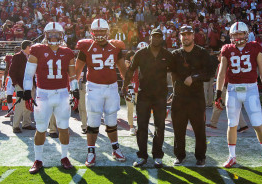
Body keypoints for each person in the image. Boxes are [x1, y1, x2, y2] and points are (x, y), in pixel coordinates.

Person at [215, 22, 262, 170]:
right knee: (232, 124)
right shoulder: (227, 49)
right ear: (231, 36)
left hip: (251, 90)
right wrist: (218, 93)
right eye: (234, 34)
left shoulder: (254, 47)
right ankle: (232, 156)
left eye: (240, 34)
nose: (237, 37)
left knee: (257, 123)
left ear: (246, 34)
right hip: (233, 90)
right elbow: (221, 73)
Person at [24, 22, 79, 174]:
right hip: (43, 94)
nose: (54, 37)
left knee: (64, 128)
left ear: (62, 36)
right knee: (41, 128)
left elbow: (73, 75)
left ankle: (64, 157)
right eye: (51, 34)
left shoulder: (67, 52)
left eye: (57, 34)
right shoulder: (37, 49)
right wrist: (27, 92)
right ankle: (38, 159)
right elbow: (28, 74)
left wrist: (75, 91)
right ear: (46, 35)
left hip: (62, 94)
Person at [75, 18, 127, 167]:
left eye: (101, 31)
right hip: (94, 88)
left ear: (108, 32)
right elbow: (78, 70)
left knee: (111, 120)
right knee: (93, 122)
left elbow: (123, 70)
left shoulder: (116, 47)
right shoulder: (86, 47)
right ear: (91, 32)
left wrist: (128, 85)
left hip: (111, 87)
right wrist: (72, 88)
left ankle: (115, 148)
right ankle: (91, 151)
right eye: (96, 31)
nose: (98, 34)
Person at [122, 28, 174, 168]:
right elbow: (131, 70)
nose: (156, 39)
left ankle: (157, 155)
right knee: (142, 127)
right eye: (154, 36)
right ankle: (142, 156)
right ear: (149, 38)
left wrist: (175, 90)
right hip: (144, 94)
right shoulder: (140, 53)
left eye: (159, 36)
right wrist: (124, 86)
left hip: (160, 96)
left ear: (162, 38)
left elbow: (175, 72)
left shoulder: (167, 54)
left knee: (160, 126)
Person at [170, 26, 213, 167]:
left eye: (188, 34)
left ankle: (201, 157)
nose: (186, 37)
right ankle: (180, 155)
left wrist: (194, 77)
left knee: (199, 129)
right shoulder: (175, 54)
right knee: (178, 129)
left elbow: (209, 73)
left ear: (193, 36)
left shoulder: (202, 53)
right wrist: (174, 91)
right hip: (179, 98)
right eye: (183, 35)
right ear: (180, 37)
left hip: (196, 97)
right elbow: (173, 75)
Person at [9, 40, 36, 133]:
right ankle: (15, 125)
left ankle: (26, 123)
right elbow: (12, 71)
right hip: (20, 84)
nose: (32, 49)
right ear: (27, 47)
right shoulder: (17, 56)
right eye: (31, 47)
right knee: (20, 105)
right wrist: (15, 83)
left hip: (31, 84)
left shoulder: (32, 57)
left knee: (29, 103)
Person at [3, 46, 21, 117]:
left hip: (20, 78)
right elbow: (7, 69)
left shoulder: (23, 57)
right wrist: (4, 80)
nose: (17, 51)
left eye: (18, 50)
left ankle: (19, 112)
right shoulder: (10, 57)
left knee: (20, 95)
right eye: (16, 50)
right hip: (11, 78)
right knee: (9, 95)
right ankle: (10, 111)